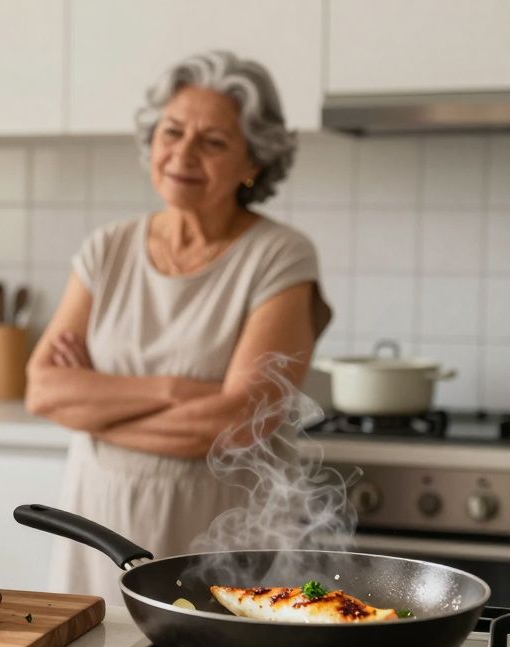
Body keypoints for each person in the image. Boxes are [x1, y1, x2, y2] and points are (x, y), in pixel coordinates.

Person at [26, 50, 333, 600]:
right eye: (172, 132)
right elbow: (44, 389)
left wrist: (97, 411)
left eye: (213, 142)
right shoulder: (108, 248)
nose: (182, 154)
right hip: (96, 522)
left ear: (253, 162)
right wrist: (175, 390)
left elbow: (241, 421)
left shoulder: (280, 257)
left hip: (218, 531)